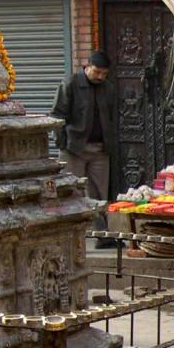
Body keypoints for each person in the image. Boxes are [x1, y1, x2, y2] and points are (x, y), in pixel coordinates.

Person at [51, 50, 115, 242]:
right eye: (97, 72)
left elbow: (111, 116)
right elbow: (57, 114)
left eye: (104, 74)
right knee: (72, 191)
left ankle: (102, 234)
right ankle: (71, 235)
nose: (100, 77)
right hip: (74, 149)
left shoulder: (108, 88)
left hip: (100, 150)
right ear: (87, 67)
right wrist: (62, 143)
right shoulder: (70, 84)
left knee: (99, 192)